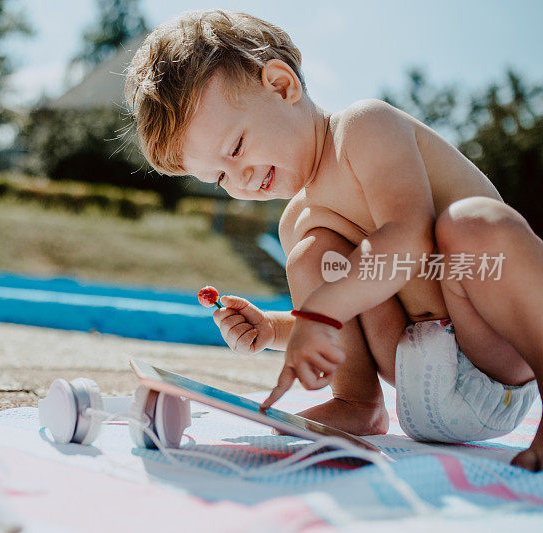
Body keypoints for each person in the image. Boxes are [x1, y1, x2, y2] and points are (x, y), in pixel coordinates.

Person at [124, 9, 543, 471]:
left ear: (282, 86)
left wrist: (323, 309)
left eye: (237, 147)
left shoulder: (364, 129)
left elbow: (409, 243)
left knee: (471, 224)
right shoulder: (297, 221)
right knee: (312, 256)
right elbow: (337, 317)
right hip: (422, 392)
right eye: (220, 176)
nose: (239, 178)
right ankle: (358, 403)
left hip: (496, 353)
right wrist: (274, 329)